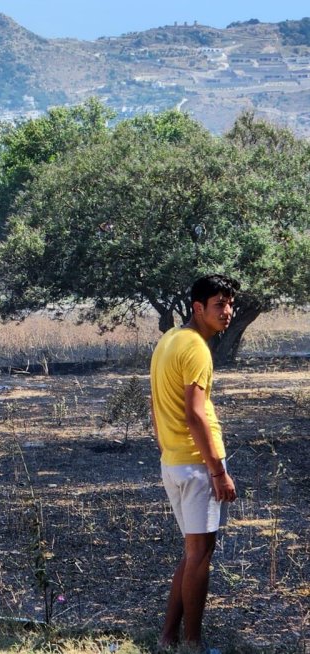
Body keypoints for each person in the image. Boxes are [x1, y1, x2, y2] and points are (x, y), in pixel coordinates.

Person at [150, 274, 239, 651]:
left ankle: (168, 638)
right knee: (201, 555)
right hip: (197, 466)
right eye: (219, 305)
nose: (228, 312)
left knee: (192, 554)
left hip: (174, 462)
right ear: (197, 307)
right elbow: (196, 415)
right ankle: (193, 644)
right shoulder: (197, 350)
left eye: (230, 304)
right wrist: (217, 471)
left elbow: (155, 410)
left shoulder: (169, 340)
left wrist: (167, 451)